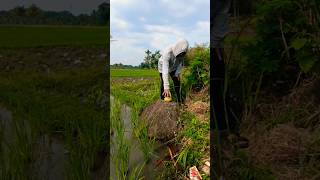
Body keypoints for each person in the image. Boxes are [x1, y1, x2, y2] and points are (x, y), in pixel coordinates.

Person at [158, 38, 189, 103]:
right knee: (163, 83)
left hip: (174, 68)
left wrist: (177, 73)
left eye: (183, 54)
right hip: (163, 67)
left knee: (177, 81)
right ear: (177, 48)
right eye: (180, 54)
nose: (181, 55)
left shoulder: (182, 53)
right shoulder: (167, 52)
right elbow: (165, 70)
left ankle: (179, 99)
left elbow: (180, 63)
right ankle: (162, 99)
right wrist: (166, 87)